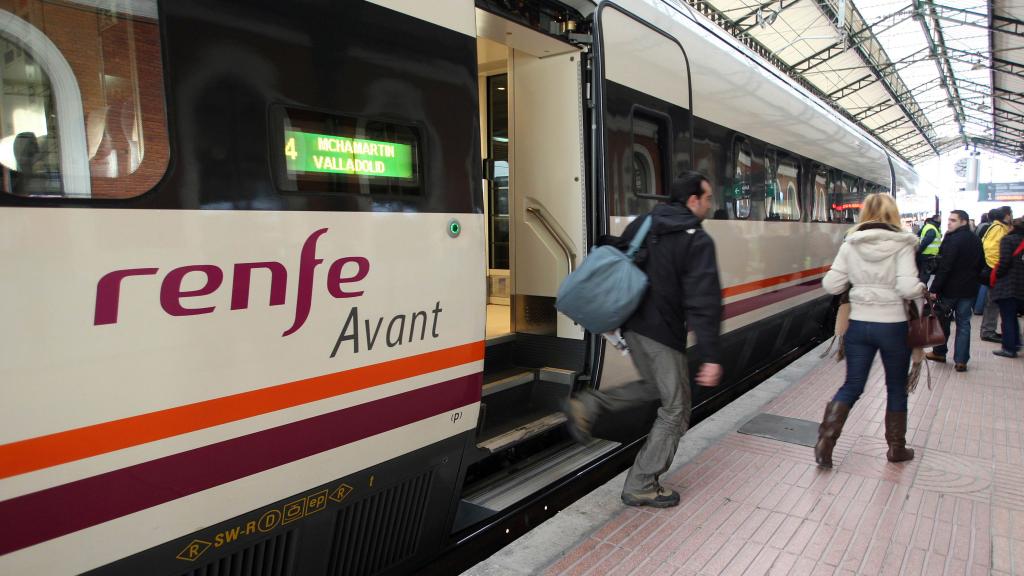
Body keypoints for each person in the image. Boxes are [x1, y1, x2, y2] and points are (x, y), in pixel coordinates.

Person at [563, 171, 723, 508]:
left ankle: (589, 404)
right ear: (693, 200)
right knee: (676, 409)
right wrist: (710, 354)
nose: (711, 203)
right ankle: (643, 483)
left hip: (633, 327)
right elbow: (703, 300)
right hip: (663, 334)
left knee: (653, 388)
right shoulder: (697, 239)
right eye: (708, 197)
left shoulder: (645, 223)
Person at [816, 193, 926, 468]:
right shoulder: (903, 244)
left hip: (859, 325)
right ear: (894, 214)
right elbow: (906, 288)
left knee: (853, 385)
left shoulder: (850, 244)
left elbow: (831, 285)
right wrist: (921, 288)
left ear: (864, 214)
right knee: (895, 387)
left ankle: (825, 443)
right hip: (893, 326)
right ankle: (896, 449)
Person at [925, 210, 984, 371]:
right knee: (964, 324)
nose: (949, 223)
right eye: (949, 220)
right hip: (969, 289)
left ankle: (939, 352)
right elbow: (981, 264)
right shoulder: (976, 240)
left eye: (953, 220)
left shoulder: (952, 239)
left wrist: (934, 289)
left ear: (963, 222)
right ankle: (961, 360)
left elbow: (945, 267)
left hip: (950, 289)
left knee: (942, 320)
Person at [990, 217, 1024, 358]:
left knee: (1008, 317)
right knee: (1013, 317)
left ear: (1012, 227)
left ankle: (1009, 348)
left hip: (1008, 285)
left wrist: (996, 274)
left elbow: (1004, 262)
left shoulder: (1008, 240)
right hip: (1021, 286)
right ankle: (1016, 342)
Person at [981, 206, 1013, 342]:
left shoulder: (999, 227)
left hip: (996, 270)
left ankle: (989, 330)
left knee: (993, 301)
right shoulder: (998, 228)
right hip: (996, 270)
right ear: (1006, 215)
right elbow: (991, 249)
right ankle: (988, 331)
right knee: (992, 302)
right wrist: (998, 267)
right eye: (1011, 214)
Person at [974, 209, 999, 315]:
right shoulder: (991, 228)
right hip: (987, 259)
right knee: (985, 284)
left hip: (981, 256)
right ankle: (979, 308)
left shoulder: (980, 226)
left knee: (982, 283)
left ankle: (977, 307)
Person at [917, 213, 943, 284]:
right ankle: (922, 292)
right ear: (936, 220)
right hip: (928, 256)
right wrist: (918, 251)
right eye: (940, 220)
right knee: (924, 277)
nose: (941, 221)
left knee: (923, 276)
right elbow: (925, 243)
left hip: (927, 255)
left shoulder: (930, 227)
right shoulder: (932, 229)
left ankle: (922, 291)